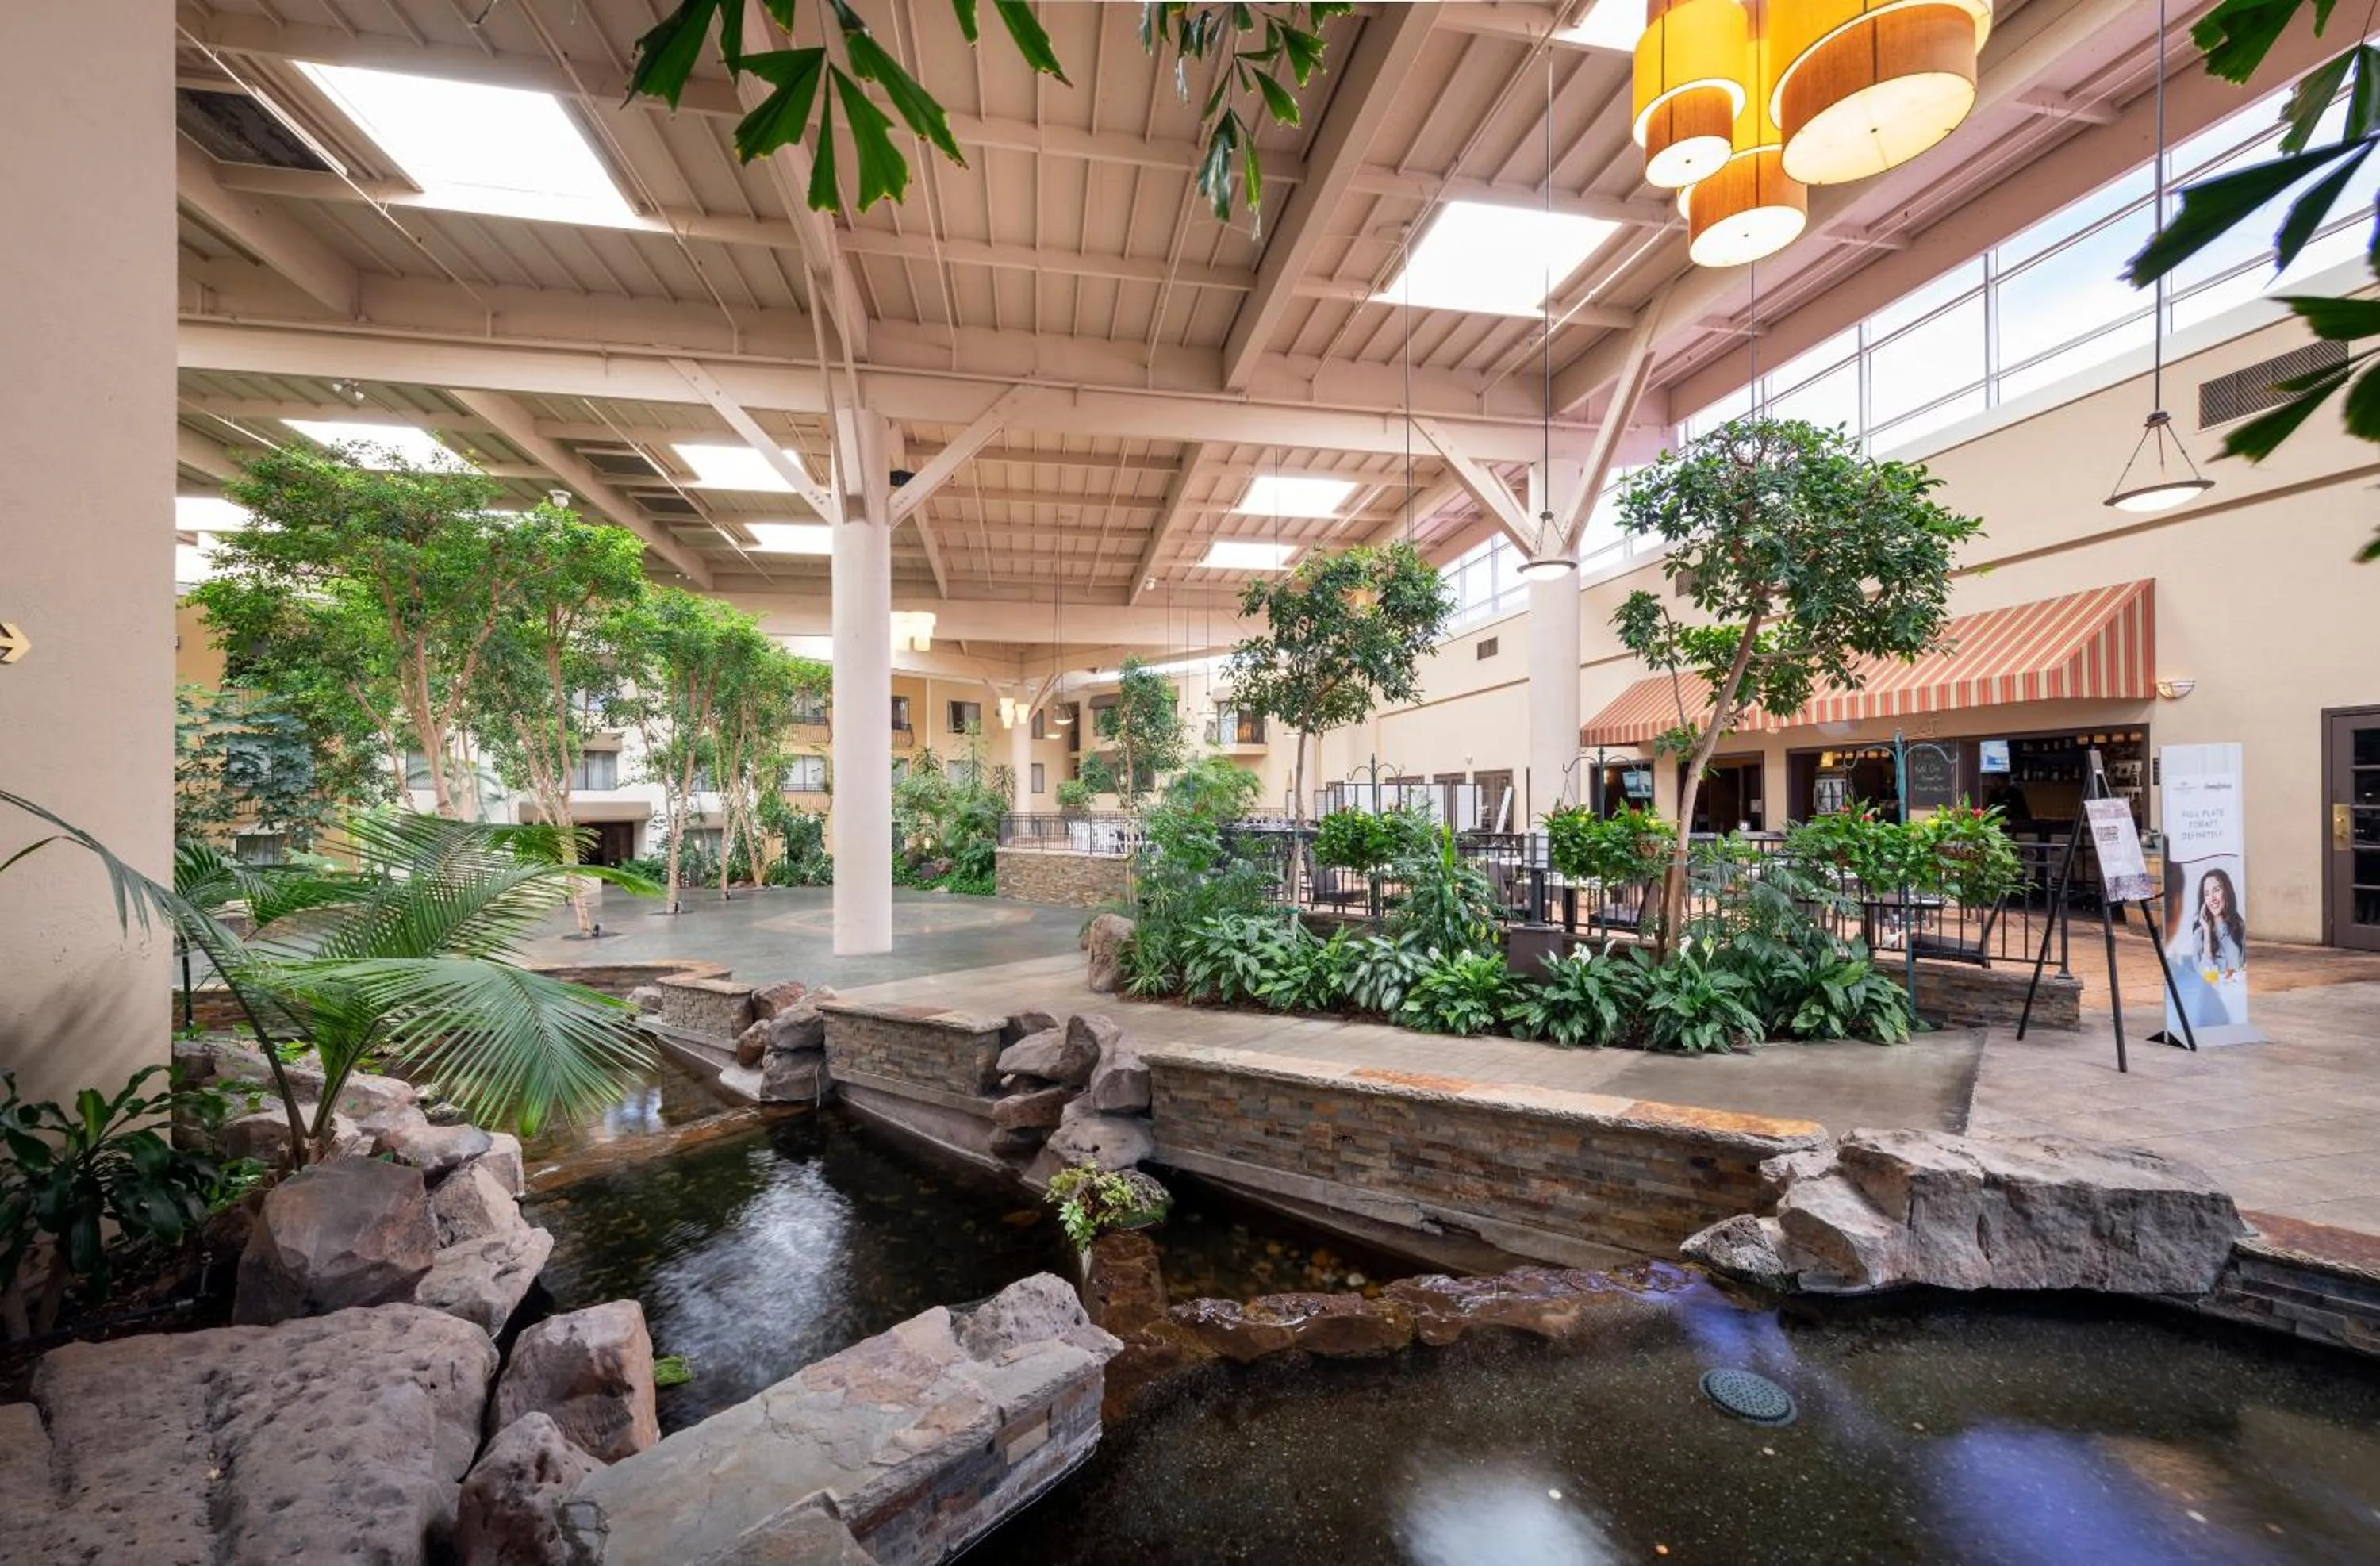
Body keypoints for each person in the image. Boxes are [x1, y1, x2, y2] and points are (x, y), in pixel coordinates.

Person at [2182, 866, 2248, 983]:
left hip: (2236, 995)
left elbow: (2243, 971)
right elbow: (2207, 979)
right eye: (2207, 894)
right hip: (2213, 997)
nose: (2212, 898)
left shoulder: (2239, 928)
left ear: (2227, 891)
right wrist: (2207, 933)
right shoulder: (2200, 934)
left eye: (2216, 890)